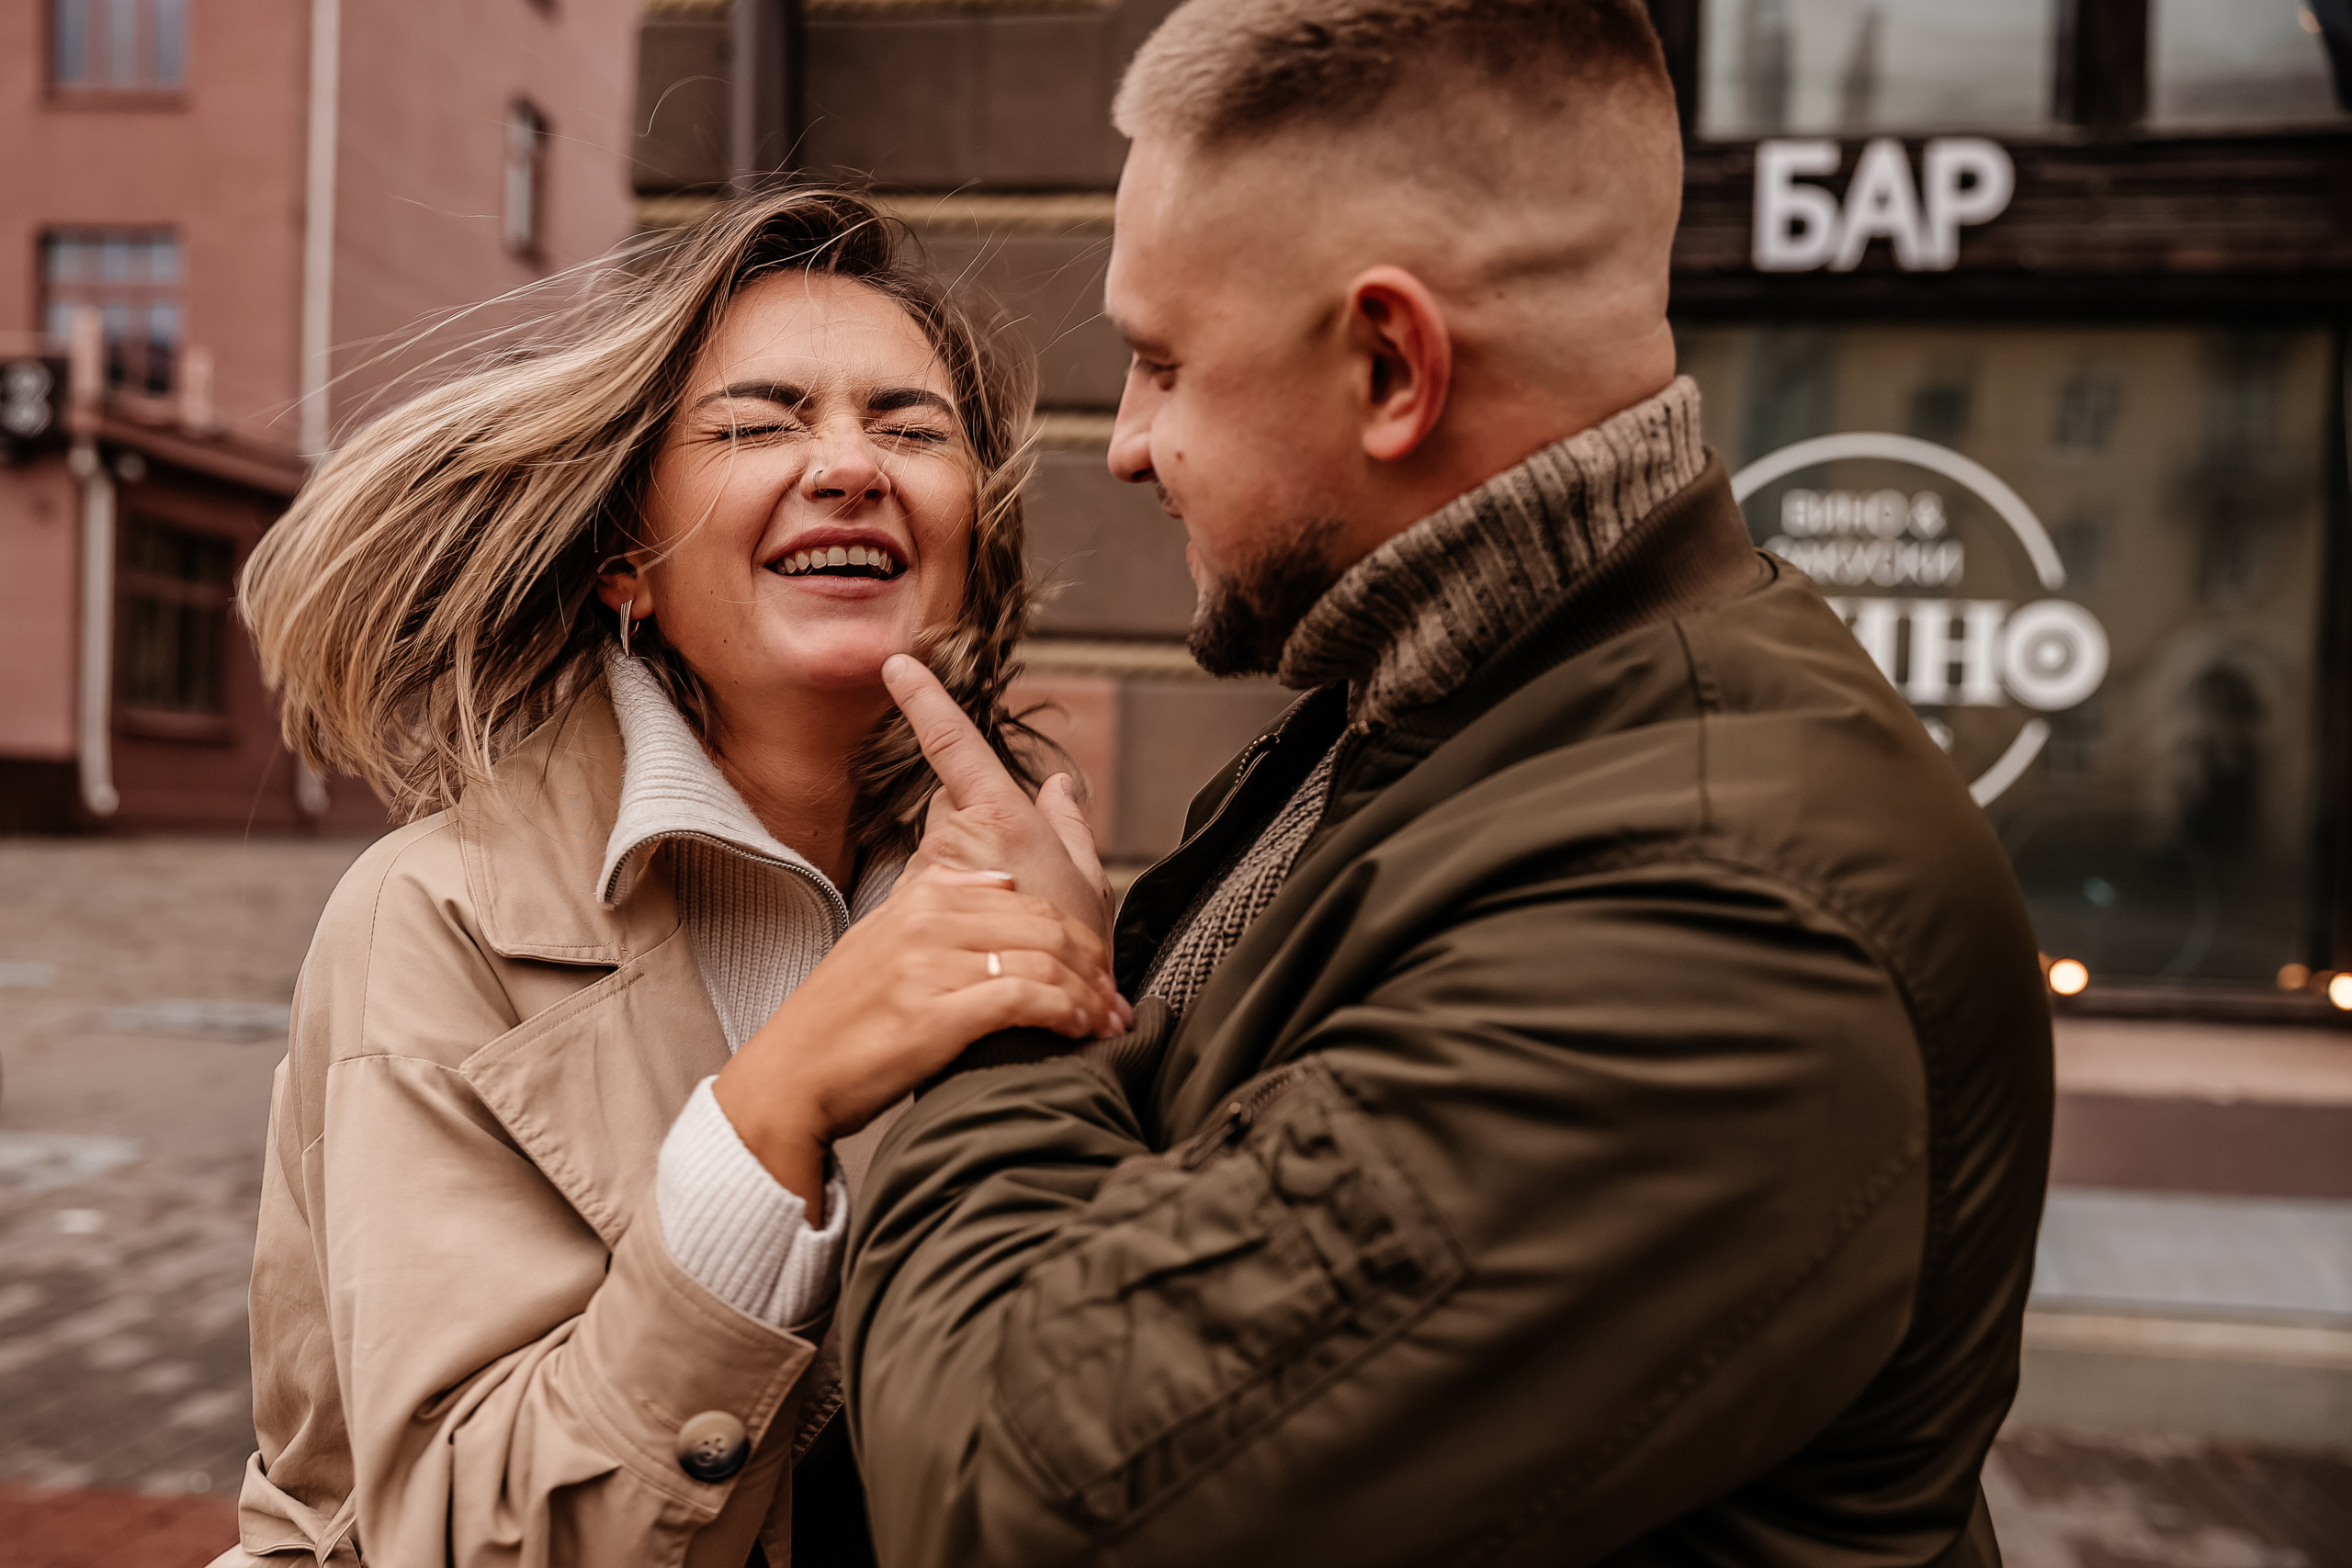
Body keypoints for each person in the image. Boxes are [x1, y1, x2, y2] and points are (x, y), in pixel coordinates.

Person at [841, 3, 2054, 1564]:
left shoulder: (1712, 924)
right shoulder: (1440, 705)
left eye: (1160, 363)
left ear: (1392, 365)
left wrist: (1017, 990)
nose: (1129, 443)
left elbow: (1022, 1495)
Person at [218, 188, 1125, 1567]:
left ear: (966, 544)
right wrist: (775, 1103)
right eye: (762, 423)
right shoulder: (436, 918)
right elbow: (470, 1539)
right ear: (628, 564)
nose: (851, 465)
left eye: (912, 427)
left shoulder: (1018, 889)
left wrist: (1090, 1032)